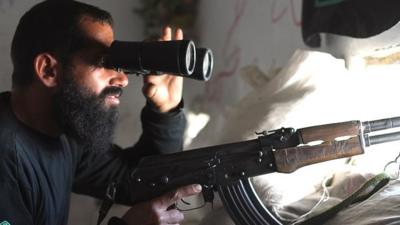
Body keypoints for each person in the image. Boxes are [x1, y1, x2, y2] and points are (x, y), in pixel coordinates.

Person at [0, 1, 201, 225]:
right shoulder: (6, 159)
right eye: (103, 61)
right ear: (49, 70)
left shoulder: (61, 132)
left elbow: (138, 181)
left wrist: (165, 110)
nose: (123, 79)